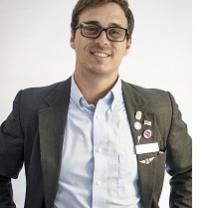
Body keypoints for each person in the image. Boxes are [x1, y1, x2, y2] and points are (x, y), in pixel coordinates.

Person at [0, 0, 192, 207]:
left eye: (115, 32)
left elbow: (189, 171)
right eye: (91, 28)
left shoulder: (161, 107)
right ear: (73, 37)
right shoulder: (30, 106)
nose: (102, 40)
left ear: (127, 44)